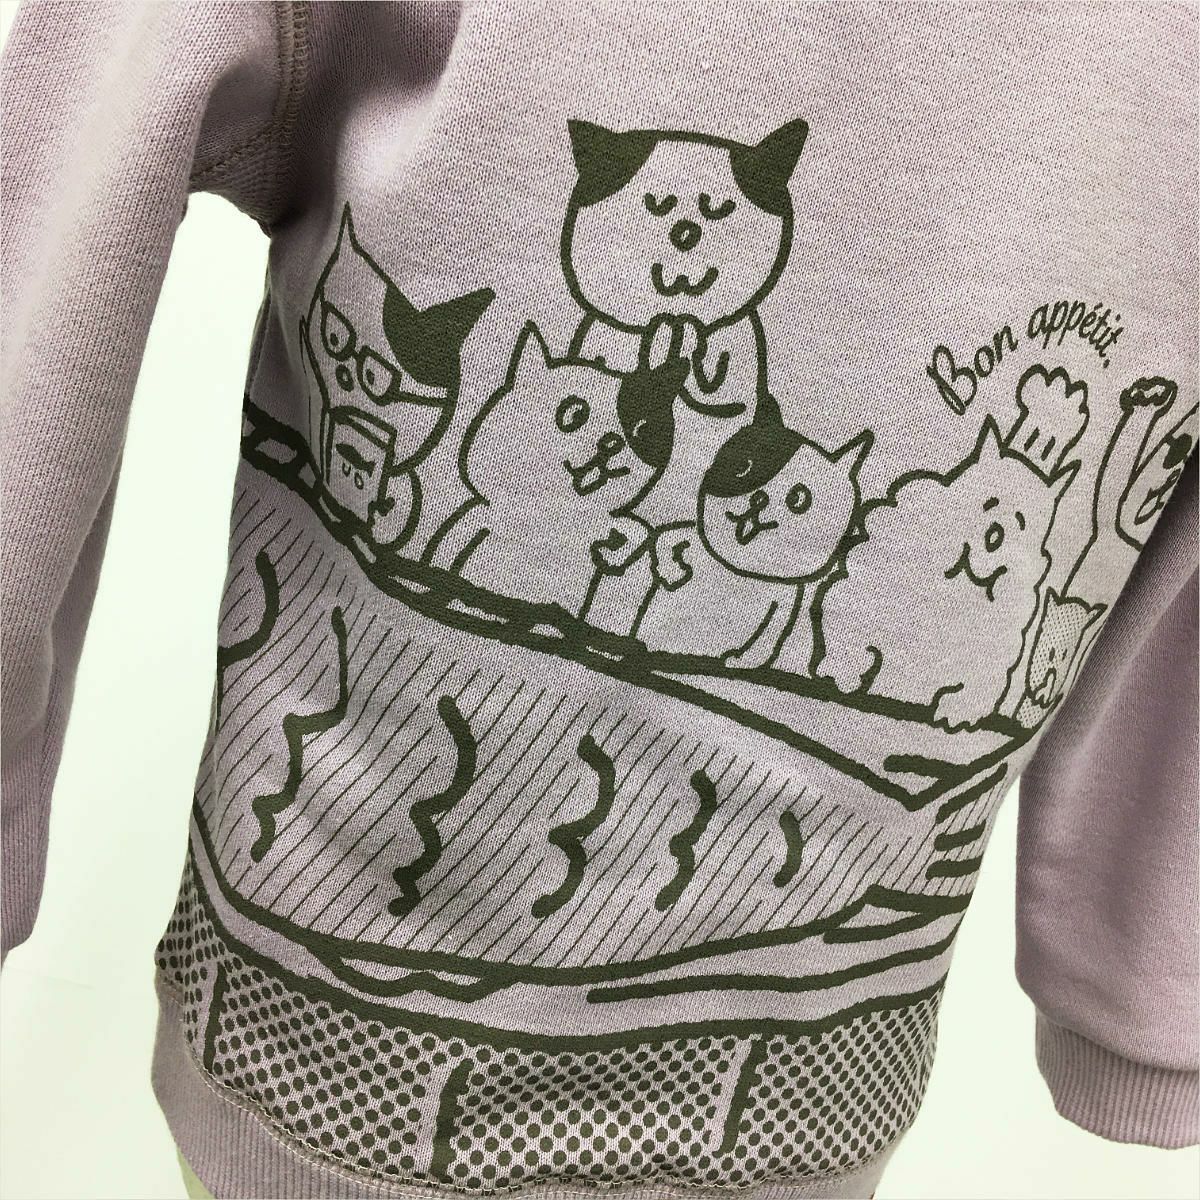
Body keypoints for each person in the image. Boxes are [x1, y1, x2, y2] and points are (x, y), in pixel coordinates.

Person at [2, 3, 1196, 1197]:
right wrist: (1144, 993)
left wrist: (1144, 985)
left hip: (800, 1087)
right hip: (344, 1051)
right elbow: (75, 185)